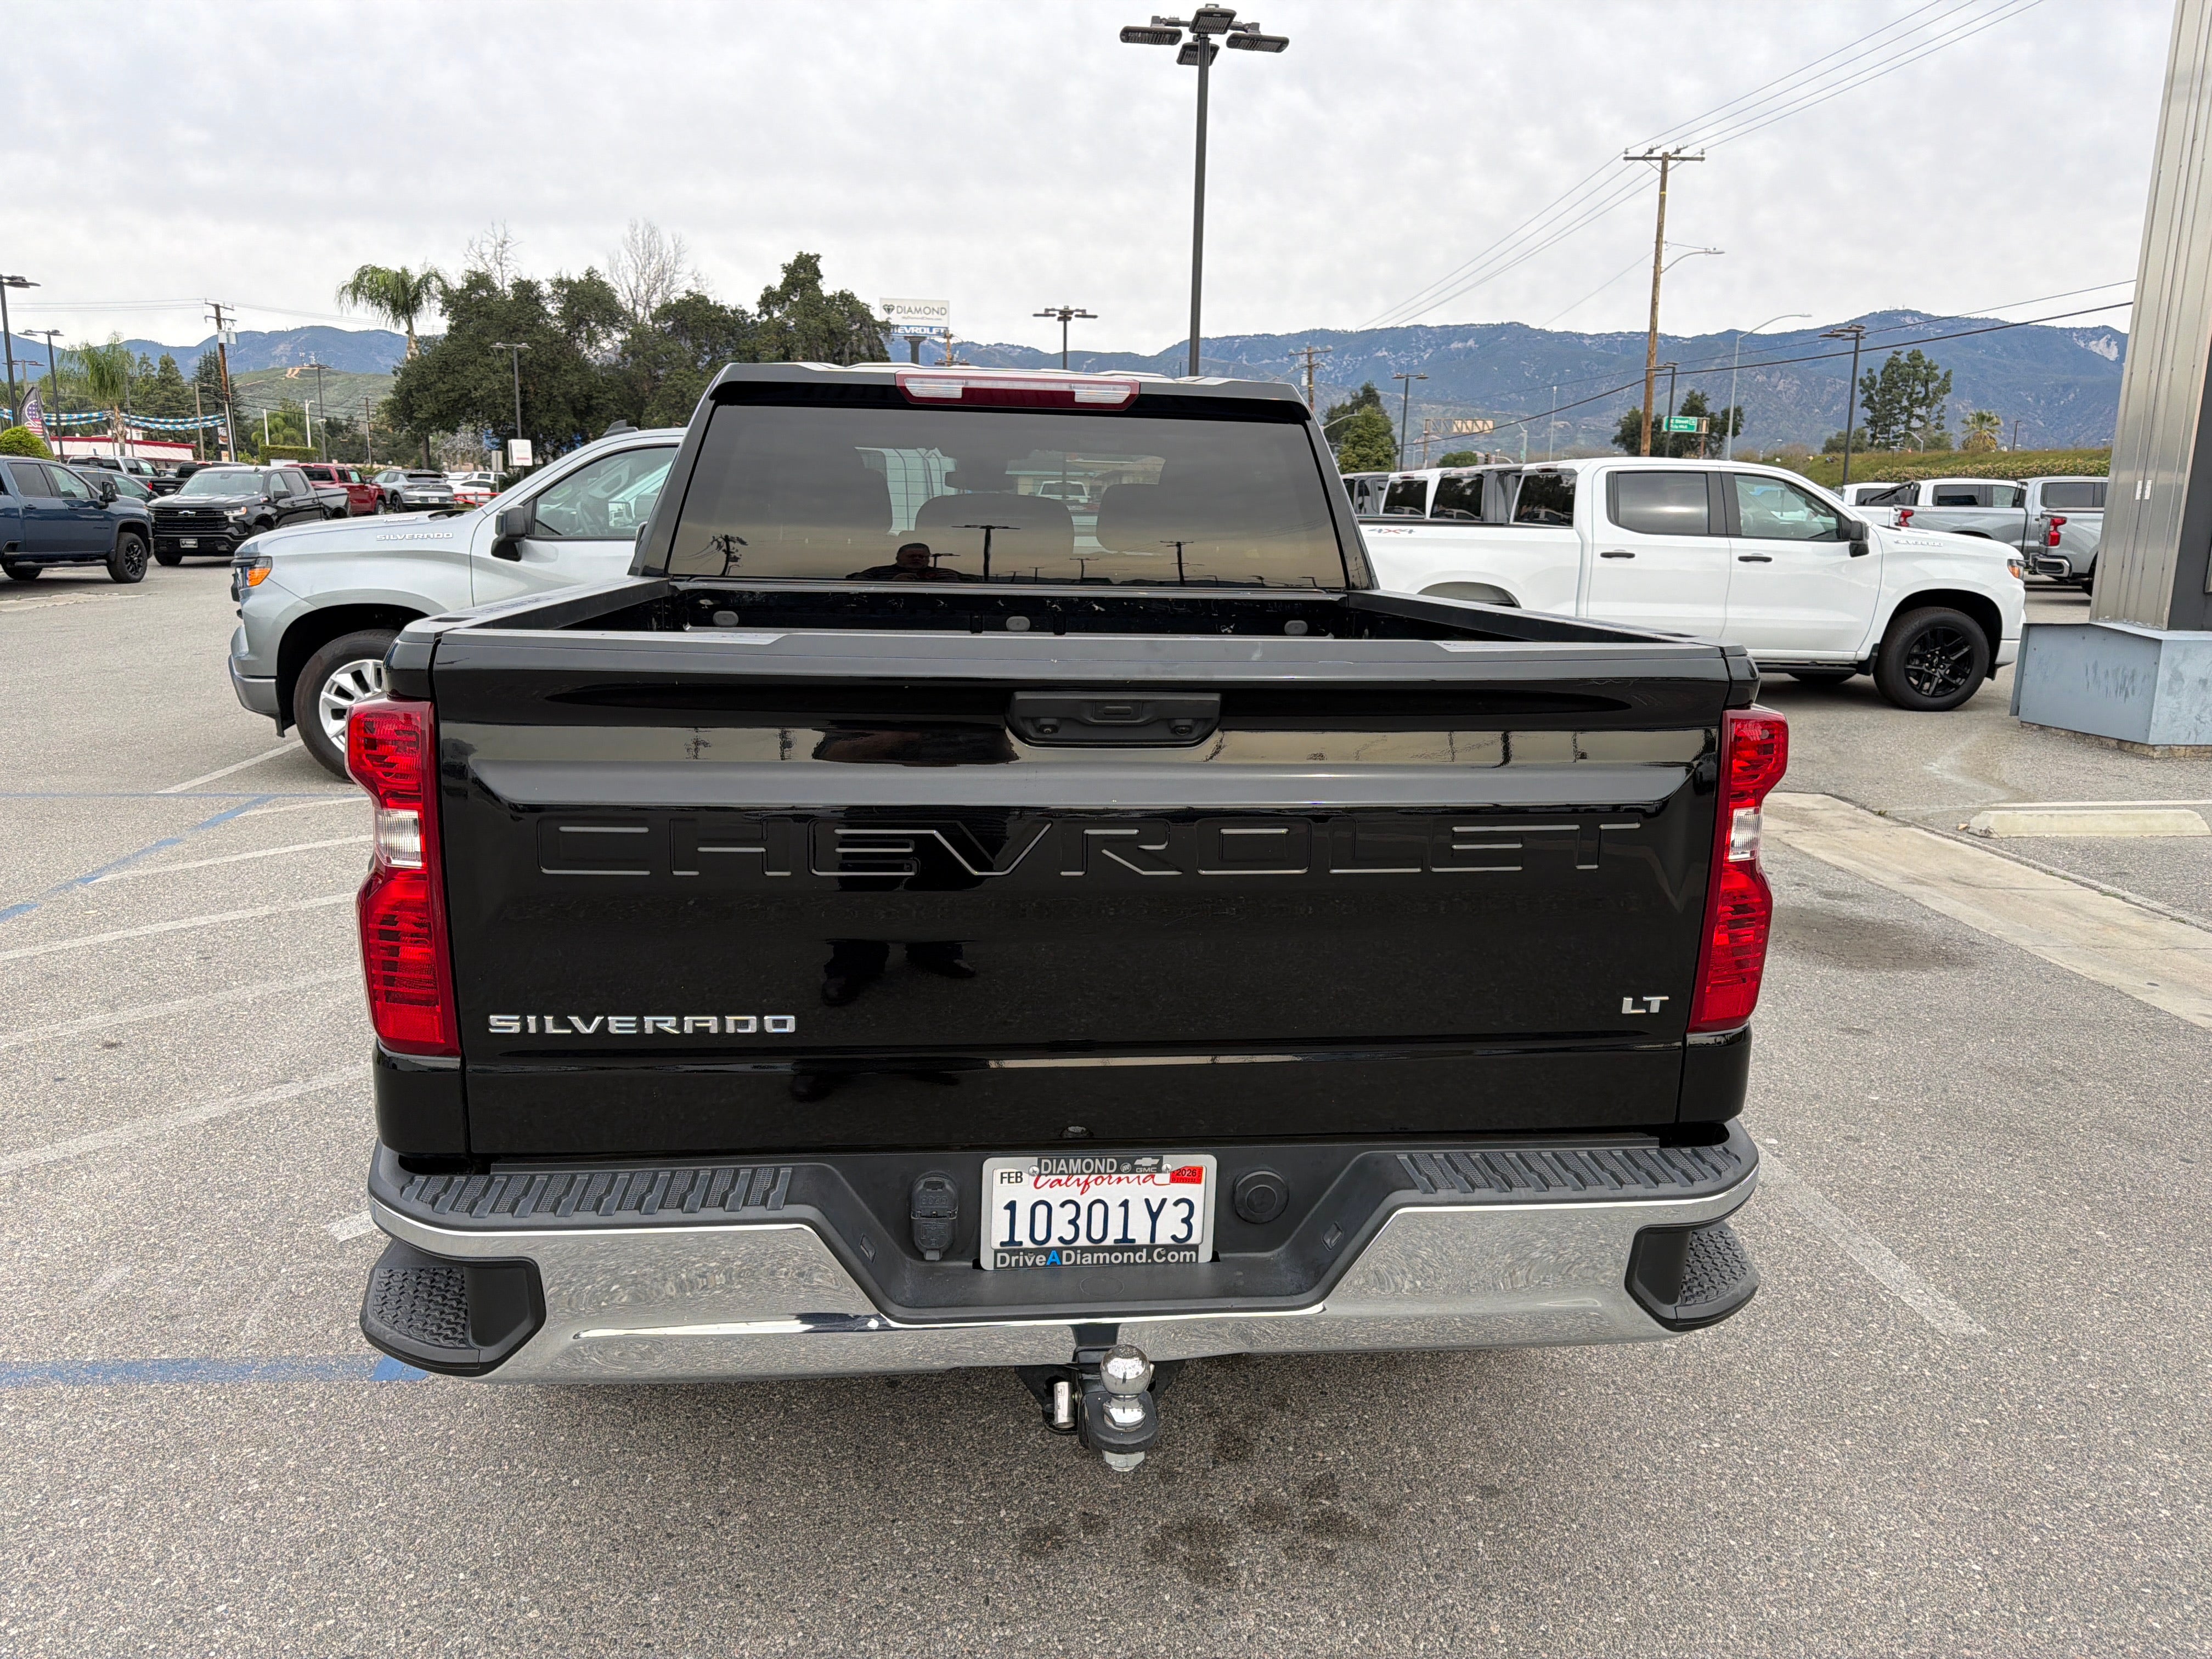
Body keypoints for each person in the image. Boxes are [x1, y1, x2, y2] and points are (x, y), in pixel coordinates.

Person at [847, 541, 972, 583]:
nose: (917, 559)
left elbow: (981, 582)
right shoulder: (876, 572)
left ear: (929, 559)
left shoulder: (945, 573)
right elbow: (856, 585)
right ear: (898, 558)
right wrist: (892, 583)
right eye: (912, 556)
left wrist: (955, 582)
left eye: (922, 557)